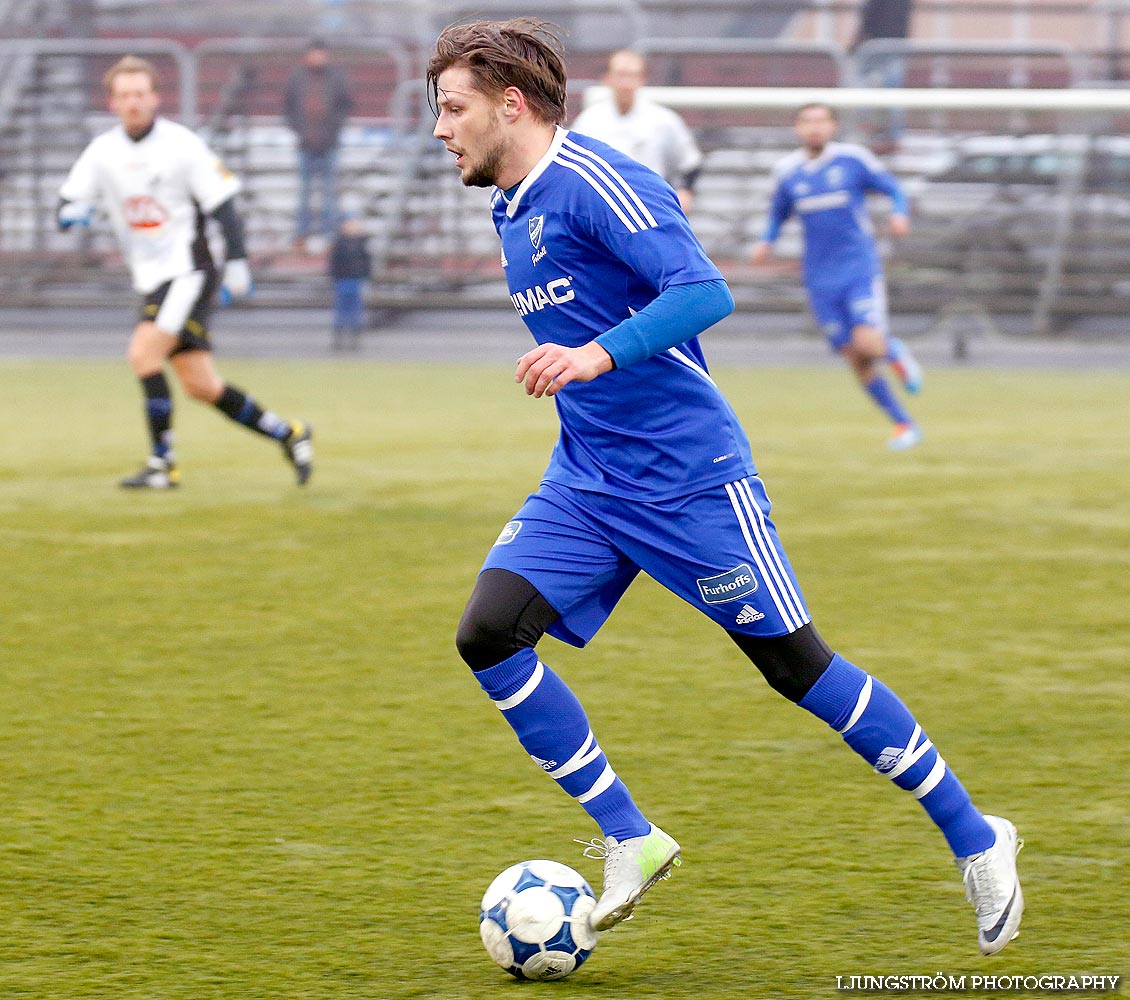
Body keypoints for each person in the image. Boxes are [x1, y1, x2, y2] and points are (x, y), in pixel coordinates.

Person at [429, 18, 1023, 953]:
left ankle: (975, 833)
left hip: (690, 479)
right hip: (588, 479)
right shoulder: (509, 205)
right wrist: (583, 373)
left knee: (799, 669)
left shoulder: (597, 181)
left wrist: (593, 356)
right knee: (487, 635)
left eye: (453, 108)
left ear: (512, 103)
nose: (440, 129)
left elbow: (705, 291)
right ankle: (632, 835)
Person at [58, 55, 314, 489]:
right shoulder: (102, 152)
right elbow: (67, 202)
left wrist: (236, 261)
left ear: (155, 97)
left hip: (188, 271)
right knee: (201, 385)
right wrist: (71, 214)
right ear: (113, 102)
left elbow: (225, 206)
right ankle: (289, 434)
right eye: (124, 95)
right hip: (151, 277)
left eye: (140, 93)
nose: (133, 102)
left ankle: (163, 465)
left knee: (143, 354)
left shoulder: (182, 145)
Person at [752, 103, 924, 451]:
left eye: (821, 121)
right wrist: (766, 240)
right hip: (818, 278)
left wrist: (899, 213)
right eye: (807, 122)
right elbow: (777, 213)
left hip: (858, 268)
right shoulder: (787, 171)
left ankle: (893, 350)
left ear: (832, 127)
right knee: (855, 357)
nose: (814, 128)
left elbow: (893, 188)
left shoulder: (852, 160)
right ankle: (904, 424)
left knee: (869, 343)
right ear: (797, 129)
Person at [570, 49, 702, 214]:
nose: (626, 83)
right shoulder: (589, 121)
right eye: (621, 74)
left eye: (632, 75)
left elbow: (689, 163)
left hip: (652, 204)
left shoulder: (663, 120)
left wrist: (684, 191)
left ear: (642, 79)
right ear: (607, 78)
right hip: (602, 207)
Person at [283, 38, 354, 253]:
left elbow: (345, 106)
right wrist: (301, 131)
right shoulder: (297, 78)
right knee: (304, 194)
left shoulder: (336, 77)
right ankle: (301, 236)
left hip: (329, 143)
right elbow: (289, 108)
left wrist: (331, 130)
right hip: (305, 144)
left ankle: (329, 237)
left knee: (329, 194)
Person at [851, 0, 914, 151]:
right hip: (894, 42)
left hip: (877, 43)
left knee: (866, 90)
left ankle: (873, 134)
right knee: (892, 93)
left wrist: (858, 39)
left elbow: (870, 15)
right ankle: (889, 137)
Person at [328, 208, 371, 351]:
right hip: (342, 281)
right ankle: (338, 338)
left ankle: (355, 338)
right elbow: (334, 263)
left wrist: (365, 276)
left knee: (356, 311)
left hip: (356, 281)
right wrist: (334, 277)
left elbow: (367, 262)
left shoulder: (362, 243)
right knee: (341, 311)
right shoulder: (339, 244)